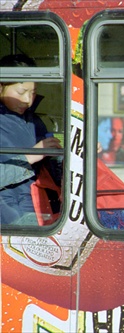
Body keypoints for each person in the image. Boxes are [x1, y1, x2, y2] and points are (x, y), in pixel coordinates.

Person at [0, 54, 62, 225]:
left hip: (42, 206)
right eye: (21, 92)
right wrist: (30, 157)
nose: (28, 100)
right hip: (11, 215)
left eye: (33, 93)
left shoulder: (33, 121)